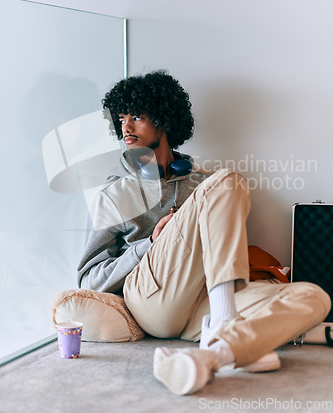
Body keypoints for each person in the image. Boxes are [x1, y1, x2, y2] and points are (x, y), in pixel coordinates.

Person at [77, 70, 331, 396]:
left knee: (314, 297)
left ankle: (216, 353)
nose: (126, 127)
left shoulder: (203, 184)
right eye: (122, 118)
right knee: (228, 180)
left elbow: (222, 250)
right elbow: (88, 280)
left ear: (164, 120)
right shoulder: (112, 196)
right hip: (151, 301)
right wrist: (150, 243)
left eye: (137, 117)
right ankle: (227, 322)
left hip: (201, 305)